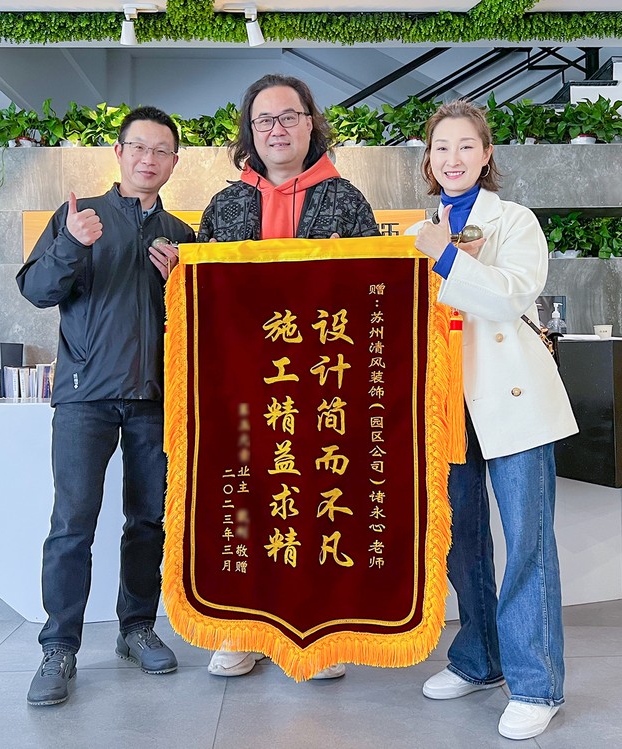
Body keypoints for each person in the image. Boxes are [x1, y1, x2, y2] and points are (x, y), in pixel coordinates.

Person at [198, 73, 380, 679]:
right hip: (245, 386)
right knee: (246, 505)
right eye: (264, 120)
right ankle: (242, 629)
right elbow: (204, 301)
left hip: (321, 386)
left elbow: (372, 295)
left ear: (310, 123)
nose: (276, 130)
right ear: (250, 132)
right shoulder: (225, 206)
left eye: (288, 117)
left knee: (321, 505)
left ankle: (319, 635)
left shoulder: (347, 201)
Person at [410, 101, 578, 741]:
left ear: (486, 156)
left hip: (513, 403)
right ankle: (479, 660)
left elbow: (512, 295)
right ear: (429, 161)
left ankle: (537, 684)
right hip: (446, 405)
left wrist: (448, 259)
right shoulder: (419, 230)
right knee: (463, 543)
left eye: (465, 146)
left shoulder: (516, 221)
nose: (452, 158)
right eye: (441, 147)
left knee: (528, 544)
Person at [17, 105, 195, 706]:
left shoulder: (183, 237)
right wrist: (71, 245)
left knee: (148, 521)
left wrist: (182, 284)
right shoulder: (79, 216)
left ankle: (137, 628)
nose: (149, 159)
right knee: (72, 524)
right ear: (119, 153)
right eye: (138, 147)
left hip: (155, 401)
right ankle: (58, 646)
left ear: (174, 162)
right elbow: (37, 290)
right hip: (84, 399)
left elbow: (198, 326)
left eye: (161, 150)